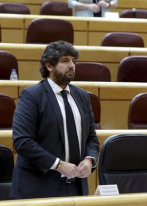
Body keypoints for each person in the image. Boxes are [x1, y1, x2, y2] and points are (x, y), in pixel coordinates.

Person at [11, 41, 99, 199]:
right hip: (39, 186)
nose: (71, 65)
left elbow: (91, 138)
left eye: (73, 61)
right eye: (65, 61)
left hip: (77, 186)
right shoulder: (32, 96)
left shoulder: (82, 96)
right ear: (49, 66)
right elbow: (22, 141)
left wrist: (89, 160)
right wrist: (58, 165)